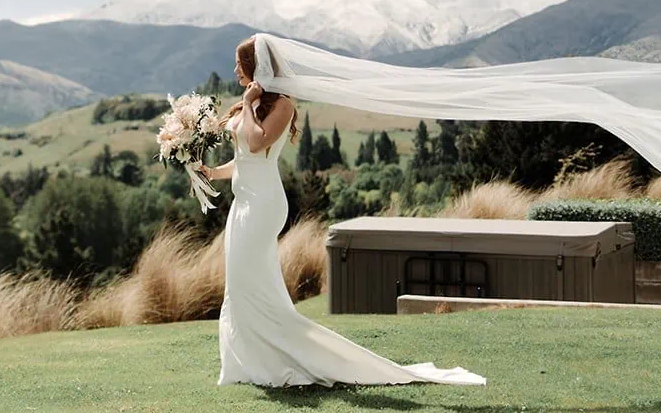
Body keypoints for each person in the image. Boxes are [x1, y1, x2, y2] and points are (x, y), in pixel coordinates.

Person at [198, 36, 486, 388]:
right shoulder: (251, 105)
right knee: (241, 283)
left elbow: (257, 144)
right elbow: (243, 160)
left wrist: (246, 103)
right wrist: (212, 172)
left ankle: (285, 359)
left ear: (255, 66)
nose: (234, 70)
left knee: (251, 281)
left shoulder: (282, 105)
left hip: (263, 205)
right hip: (242, 203)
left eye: (238, 63)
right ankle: (251, 362)